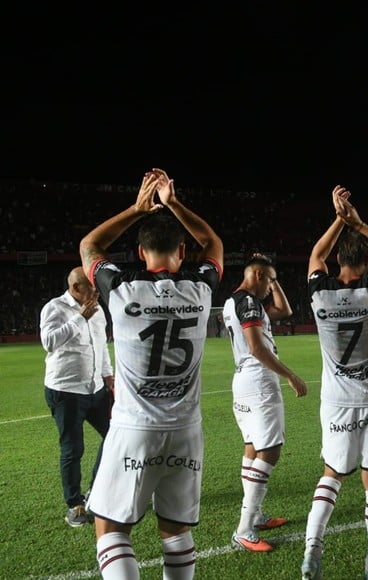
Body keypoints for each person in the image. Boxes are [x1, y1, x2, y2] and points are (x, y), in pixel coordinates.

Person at [79, 168, 223, 579]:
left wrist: (136, 209)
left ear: (141, 253)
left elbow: (90, 245)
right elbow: (212, 242)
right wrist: (174, 204)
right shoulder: (201, 289)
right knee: (176, 532)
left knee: (110, 527)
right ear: (182, 249)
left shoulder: (120, 289)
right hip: (186, 431)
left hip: (134, 426)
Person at [302, 185, 368, 580]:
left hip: (336, 400)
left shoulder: (320, 294)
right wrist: (358, 223)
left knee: (332, 472)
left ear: (338, 263)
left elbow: (315, 256)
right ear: (366, 260)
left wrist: (338, 219)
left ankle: (313, 546)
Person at [222, 254, 308, 552]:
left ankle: (255, 516)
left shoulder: (240, 301)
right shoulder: (248, 302)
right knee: (270, 450)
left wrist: (275, 281)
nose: (272, 286)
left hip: (244, 381)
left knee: (253, 448)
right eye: (269, 279)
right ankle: (245, 529)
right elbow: (257, 347)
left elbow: (284, 309)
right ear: (257, 275)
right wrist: (291, 376)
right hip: (258, 380)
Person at [39, 266, 114, 527]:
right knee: (73, 448)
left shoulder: (98, 310)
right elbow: (48, 341)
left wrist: (108, 376)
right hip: (66, 391)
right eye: (91, 287)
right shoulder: (55, 308)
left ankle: (95, 492)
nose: (97, 291)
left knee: (115, 435)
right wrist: (79, 318)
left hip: (95, 389)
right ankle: (75, 505)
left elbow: (101, 345)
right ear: (75, 288)